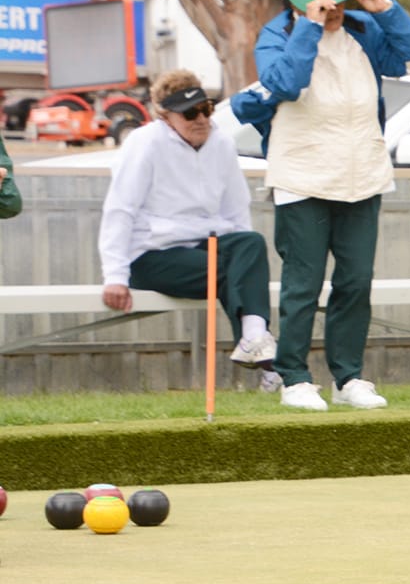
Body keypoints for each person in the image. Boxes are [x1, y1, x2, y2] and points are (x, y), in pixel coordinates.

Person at [232, 0, 410, 412]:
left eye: (336, 1)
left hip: (363, 174)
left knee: (356, 281)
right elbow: (285, 82)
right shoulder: (278, 35)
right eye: (321, 3)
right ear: (297, 3)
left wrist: (385, 10)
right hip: (302, 176)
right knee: (302, 284)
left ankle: (349, 377)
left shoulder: (362, 28)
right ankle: (294, 378)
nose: (333, 10)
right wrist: (308, 27)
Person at [98, 69, 276, 376]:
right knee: (233, 273)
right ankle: (269, 368)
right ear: (165, 117)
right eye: (189, 113)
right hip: (152, 256)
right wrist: (115, 275)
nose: (201, 119)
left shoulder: (221, 143)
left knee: (252, 243)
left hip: (204, 248)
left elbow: (237, 210)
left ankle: (254, 340)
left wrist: (244, 258)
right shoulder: (144, 143)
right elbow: (120, 210)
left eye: (205, 109)